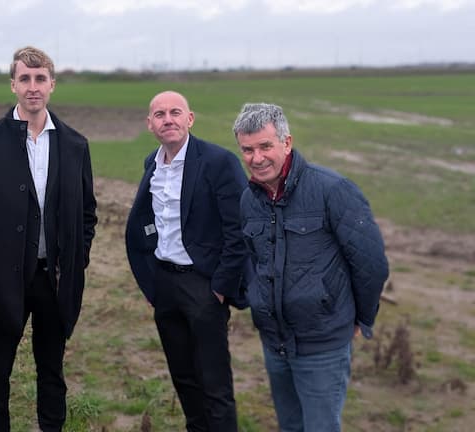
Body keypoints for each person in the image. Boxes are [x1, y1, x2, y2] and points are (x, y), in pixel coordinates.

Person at [0, 46, 97, 432]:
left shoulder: (75, 145)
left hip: (55, 279)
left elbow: (87, 214)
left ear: (52, 85)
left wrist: (75, 260)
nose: (33, 87)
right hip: (6, 281)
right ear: (13, 84)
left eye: (40, 79)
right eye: (24, 79)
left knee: (52, 369)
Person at [232, 102, 389, 432]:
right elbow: (251, 258)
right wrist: (257, 297)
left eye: (265, 146)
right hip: (275, 342)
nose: (256, 158)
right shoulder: (249, 200)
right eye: (247, 149)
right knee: (291, 426)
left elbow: (370, 263)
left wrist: (361, 317)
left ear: (286, 143)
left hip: (322, 343)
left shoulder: (333, 190)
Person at [125, 90, 248, 431]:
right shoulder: (152, 163)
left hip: (204, 287)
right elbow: (148, 224)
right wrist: (151, 284)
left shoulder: (218, 162)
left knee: (215, 384)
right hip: (165, 285)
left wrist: (221, 288)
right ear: (150, 124)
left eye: (175, 112)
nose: (169, 119)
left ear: (189, 118)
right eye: (160, 114)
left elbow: (239, 231)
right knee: (184, 378)